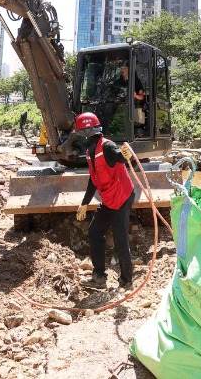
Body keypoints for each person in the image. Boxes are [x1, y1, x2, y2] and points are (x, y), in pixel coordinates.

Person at [74, 112, 137, 292]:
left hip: (122, 197)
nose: (79, 138)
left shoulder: (107, 146)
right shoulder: (90, 152)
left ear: (87, 132)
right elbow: (93, 179)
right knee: (95, 231)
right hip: (109, 198)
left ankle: (127, 281)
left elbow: (119, 156)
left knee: (120, 239)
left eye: (80, 134)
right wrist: (85, 202)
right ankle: (99, 277)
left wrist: (126, 154)